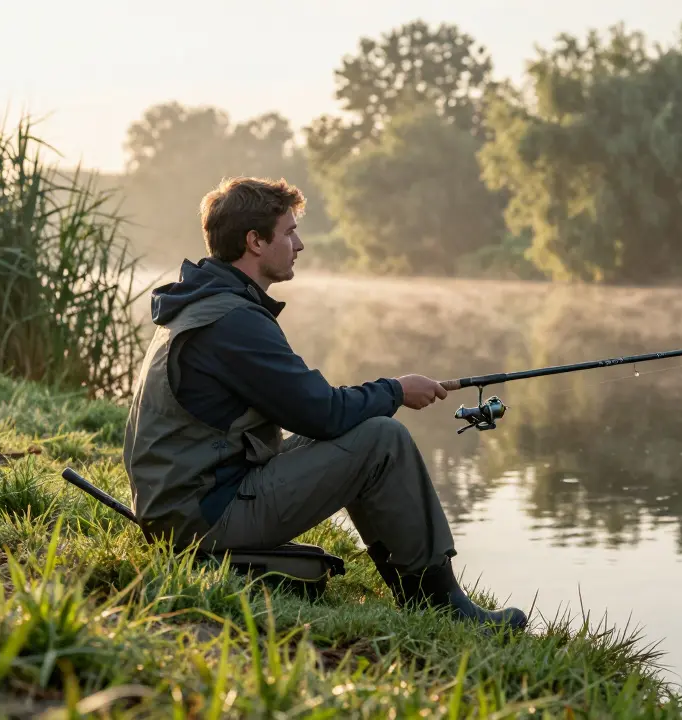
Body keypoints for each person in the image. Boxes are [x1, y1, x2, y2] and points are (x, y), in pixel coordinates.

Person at [121, 176, 526, 630]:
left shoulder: (205, 304)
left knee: (367, 431)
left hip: (183, 505)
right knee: (380, 439)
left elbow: (310, 406)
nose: (300, 244)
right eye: (289, 232)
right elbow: (323, 414)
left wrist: (379, 395)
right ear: (255, 242)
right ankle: (440, 604)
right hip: (202, 517)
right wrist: (396, 390)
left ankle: (419, 591)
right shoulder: (232, 321)